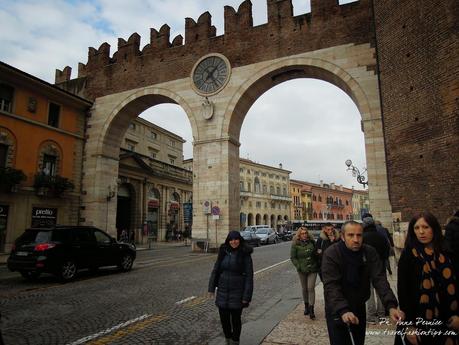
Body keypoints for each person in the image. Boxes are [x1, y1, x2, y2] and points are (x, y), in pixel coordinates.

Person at [322, 220, 404, 345]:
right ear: (343, 237)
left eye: (359, 235)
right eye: (351, 235)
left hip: (358, 304)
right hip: (337, 308)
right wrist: (343, 310)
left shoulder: (369, 252)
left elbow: (380, 279)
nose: (356, 239)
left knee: (359, 340)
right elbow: (331, 285)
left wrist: (391, 305)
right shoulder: (332, 253)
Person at [395, 212, 459, 345]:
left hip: (448, 320)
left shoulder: (448, 253)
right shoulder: (408, 256)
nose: (421, 232)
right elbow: (404, 293)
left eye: (426, 227)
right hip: (420, 322)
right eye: (417, 228)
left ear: (434, 229)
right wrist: (409, 326)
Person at [208, 231, 254, 345]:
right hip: (223, 291)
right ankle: (227, 339)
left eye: (236, 239)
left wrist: (246, 297)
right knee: (224, 320)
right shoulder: (223, 251)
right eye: (231, 239)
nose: (234, 242)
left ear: (240, 240)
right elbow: (216, 269)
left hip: (238, 292)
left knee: (236, 320)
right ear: (228, 241)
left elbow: (249, 276)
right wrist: (211, 288)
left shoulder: (245, 253)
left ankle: (235, 341)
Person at [362, 213, 391, 323]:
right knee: (381, 289)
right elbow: (387, 252)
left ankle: (371, 314)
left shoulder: (363, 237)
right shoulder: (381, 237)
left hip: (367, 268)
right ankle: (382, 312)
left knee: (369, 291)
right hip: (380, 267)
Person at [290, 226, 319, 319]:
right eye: (302, 233)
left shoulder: (312, 242)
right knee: (304, 288)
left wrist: (318, 254)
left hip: (312, 269)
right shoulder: (295, 244)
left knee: (311, 288)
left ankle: (311, 309)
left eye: (306, 233)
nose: (304, 235)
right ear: (299, 234)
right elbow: (293, 257)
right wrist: (298, 266)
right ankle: (306, 306)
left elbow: (316, 253)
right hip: (302, 270)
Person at [445, 209, 459, 276]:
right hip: (454, 255)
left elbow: (447, 243)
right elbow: (447, 243)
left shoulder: (450, 226)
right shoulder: (450, 226)